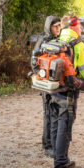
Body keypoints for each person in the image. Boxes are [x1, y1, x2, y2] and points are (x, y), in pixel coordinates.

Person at [50, 14, 84, 168]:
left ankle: (60, 159)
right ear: (73, 26)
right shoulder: (78, 45)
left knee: (56, 125)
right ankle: (60, 167)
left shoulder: (56, 40)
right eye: (80, 25)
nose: (81, 28)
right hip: (68, 93)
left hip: (53, 91)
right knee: (65, 127)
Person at [31, 15, 61, 158]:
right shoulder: (43, 41)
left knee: (54, 113)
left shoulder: (58, 40)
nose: (58, 29)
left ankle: (53, 142)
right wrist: (43, 78)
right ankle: (47, 145)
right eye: (56, 26)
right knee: (48, 114)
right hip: (46, 85)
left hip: (55, 84)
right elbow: (34, 61)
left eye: (60, 26)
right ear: (49, 27)